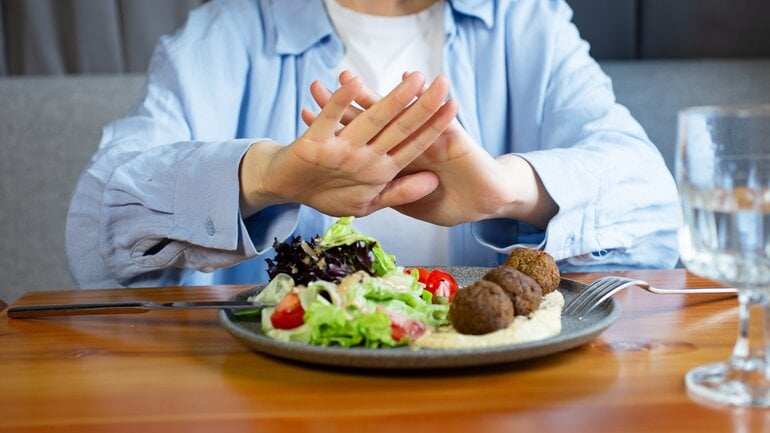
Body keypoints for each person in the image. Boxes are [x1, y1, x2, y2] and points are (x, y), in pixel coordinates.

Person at [65, 0, 680, 289]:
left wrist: (508, 189)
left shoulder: (525, 19)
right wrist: (265, 176)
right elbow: (92, 232)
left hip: (495, 391)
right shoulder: (233, 27)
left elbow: (658, 218)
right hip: (271, 393)